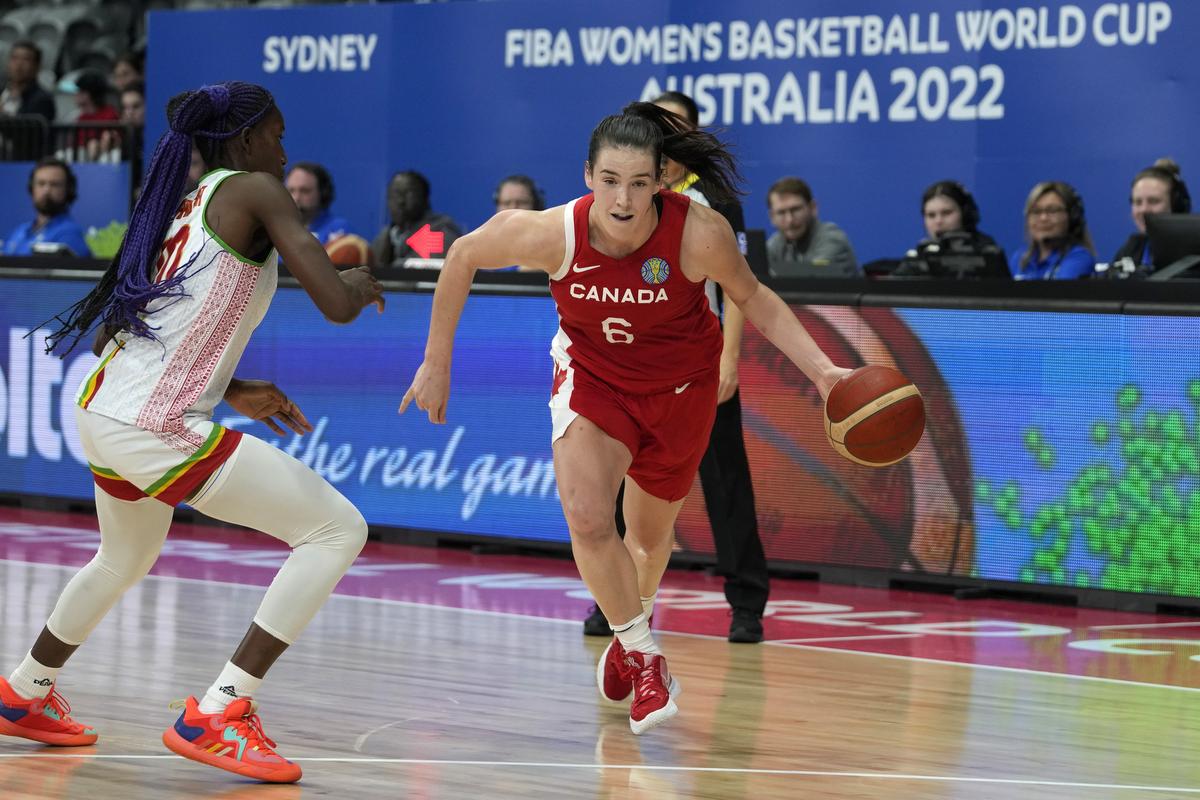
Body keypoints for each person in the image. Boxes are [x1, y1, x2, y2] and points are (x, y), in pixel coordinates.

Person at [400, 101, 848, 734]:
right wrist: (436, 361)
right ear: (588, 175)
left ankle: (627, 634)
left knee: (649, 541)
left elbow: (754, 298)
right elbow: (463, 254)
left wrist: (824, 373)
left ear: (662, 180)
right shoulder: (555, 232)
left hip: (681, 391)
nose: (622, 199)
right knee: (588, 517)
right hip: (595, 382)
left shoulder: (699, 232)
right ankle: (644, 655)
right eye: (610, 180)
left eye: (639, 183)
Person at [0, 82, 384, 785]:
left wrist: (232, 389)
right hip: (154, 424)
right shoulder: (256, 190)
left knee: (122, 557)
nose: (284, 151)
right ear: (245, 140)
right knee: (336, 531)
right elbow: (334, 302)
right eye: (277, 135)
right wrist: (359, 279)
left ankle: (23, 691)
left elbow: (121, 330)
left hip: (103, 407)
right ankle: (220, 712)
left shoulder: (183, 202)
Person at [581, 90, 769, 644]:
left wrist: (730, 357)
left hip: (698, 364)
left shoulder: (712, 202)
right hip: (627, 369)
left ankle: (746, 602)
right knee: (617, 484)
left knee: (726, 482)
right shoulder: (626, 194)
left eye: (677, 127)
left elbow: (741, 288)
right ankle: (616, 607)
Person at [765, 177, 859, 277]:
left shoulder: (832, 238)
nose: (790, 220)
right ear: (772, 217)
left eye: (795, 209)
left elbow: (812, 279)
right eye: (781, 212)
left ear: (812, 207)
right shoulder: (775, 243)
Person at [1110, 158, 1191, 268]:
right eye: (1138, 202)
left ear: (1176, 205)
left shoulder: (1193, 254)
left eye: (1153, 201)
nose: (1144, 210)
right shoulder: (1131, 250)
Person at [371, 170, 462, 268]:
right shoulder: (387, 235)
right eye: (395, 194)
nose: (400, 201)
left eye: (408, 193)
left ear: (425, 198)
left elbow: (425, 272)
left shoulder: (439, 231)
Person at [2, 158, 91, 257]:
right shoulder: (19, 232)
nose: (46, 190)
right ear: (31, 188)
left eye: (55, 184)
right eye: (41, 183)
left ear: (68, 190)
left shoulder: (70, 234)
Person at [1010, 181, 1096, 280]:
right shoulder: (1019, 259)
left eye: (1052, 211)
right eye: (1036, 211)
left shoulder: (1079, 258)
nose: (1043, 218)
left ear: (1072, 217)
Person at [286, 161, 352, 245]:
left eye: (305, 191)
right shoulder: (278, 232)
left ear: (323, 193)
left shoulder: (339, 230)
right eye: (291, 191)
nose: (296, 198)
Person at [0, 40, 55, 123]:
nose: (19, 64)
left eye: (26, 59)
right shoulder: (2, 92)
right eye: (14, 58)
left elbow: (31, 129)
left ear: (37, 66)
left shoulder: (42, 100)